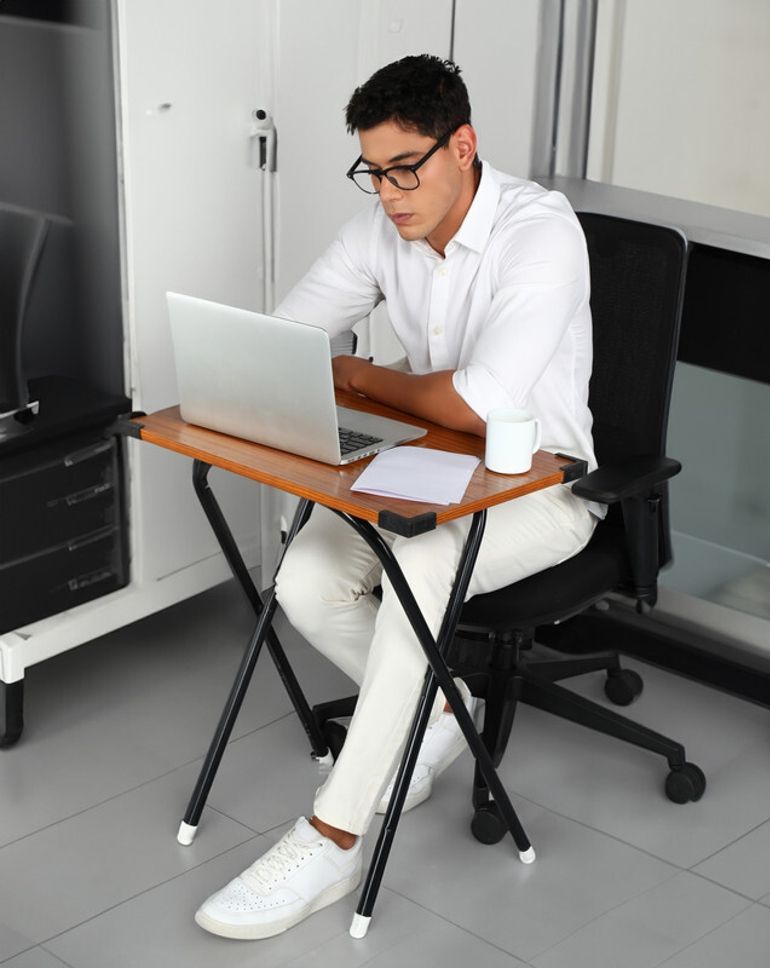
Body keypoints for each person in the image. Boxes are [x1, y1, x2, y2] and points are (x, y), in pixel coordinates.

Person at [195, 53, 600, 942]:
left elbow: (483, 400)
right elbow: (286, 343)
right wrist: (340, 376)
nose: (387, 195)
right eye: (371, 172)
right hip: (423, 474)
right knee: (301, 580)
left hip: (544, 487)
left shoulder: (540, 231)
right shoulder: (382, 223)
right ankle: (444, 715)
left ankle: (332, 834)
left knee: (413, 572)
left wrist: (361, 378)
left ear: (463, 145)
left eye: (405, 169)